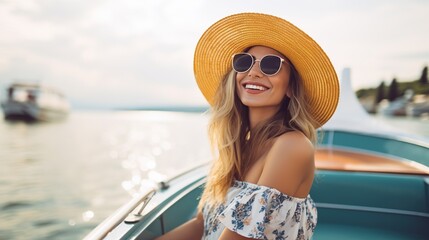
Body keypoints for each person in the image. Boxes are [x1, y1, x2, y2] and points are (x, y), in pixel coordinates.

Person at [157, 12, 339, 240]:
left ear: (291, 87)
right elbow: (201, 226)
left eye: (271, 65)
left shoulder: (292, 146)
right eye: (244, 62)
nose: (253, 71)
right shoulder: (238, 146)